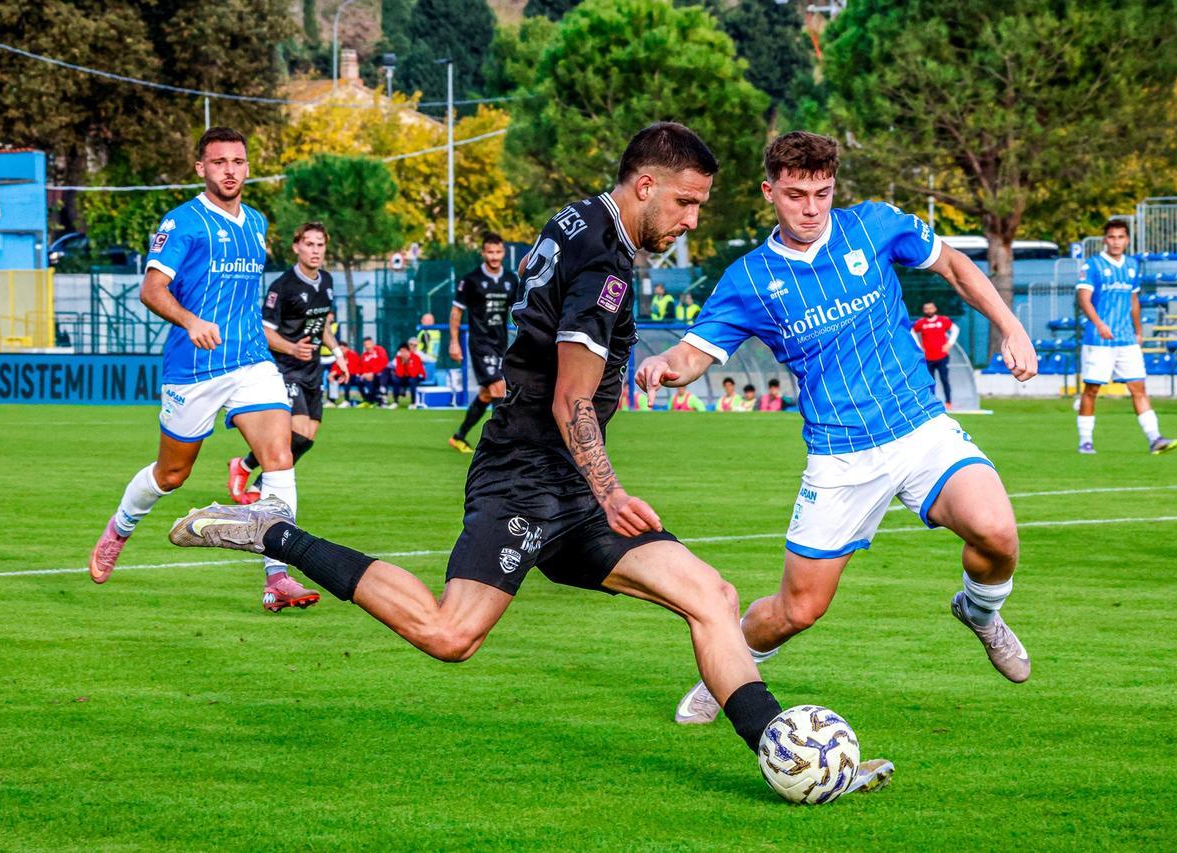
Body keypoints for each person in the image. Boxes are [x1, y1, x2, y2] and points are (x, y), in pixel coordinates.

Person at [166, 123, 891, 787]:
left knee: (714, 596)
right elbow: (569, 401)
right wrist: (609, 492)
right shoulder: (604, 263)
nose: (692, 220)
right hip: (525, 479)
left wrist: (594, 487)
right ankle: (273, 531)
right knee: (451, 634)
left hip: (568, 484)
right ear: (646, 185)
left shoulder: (580, 219)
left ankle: (787, 752)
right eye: (687, 202)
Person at [637, 130, 1042, 729]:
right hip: (841, 456)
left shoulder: (872, 226)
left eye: (822, 193)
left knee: (997, 532)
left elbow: (955, 265)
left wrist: (1011, 326)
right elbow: (697, 353)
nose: (811, 208)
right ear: (769, 191)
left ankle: (981, 612)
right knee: (797, 610)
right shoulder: (750, 279)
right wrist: (665, 366)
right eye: (797, 194)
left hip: (920, 428)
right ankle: (725, 670)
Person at [88, 126, 318, 611]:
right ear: (201, 168)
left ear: (248, 167)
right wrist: (191, 320)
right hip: (193, 369)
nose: (229, 170)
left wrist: (274, 344)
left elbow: (244, 303)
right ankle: (119, 528)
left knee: (280, 458)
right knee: (172, 475)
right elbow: (152, 290)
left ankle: (277, 576)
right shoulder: (183, 222)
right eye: (219, 162)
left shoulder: (257, 222)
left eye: (237, 161)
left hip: (251, 361)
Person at [228, 222, 348, 506]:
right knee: (296, 432)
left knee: (306, 439)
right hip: (285, 368)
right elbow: (265, 332)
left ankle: (246, 468)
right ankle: (259, 483)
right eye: (309, 244)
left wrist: (339, 355)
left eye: (320, 244)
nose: (315, 250)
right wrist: (293, 347)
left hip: (312, 370)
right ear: (297, 247)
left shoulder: (327, 282)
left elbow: (322, 326)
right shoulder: (282, 286)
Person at [1075, 219, 1177, 455]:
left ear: (1127, 240)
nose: (1116, 242)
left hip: (1126, 340)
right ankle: (1085, 441)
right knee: (1092, 390)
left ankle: (1155, 439)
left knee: (1139, 388)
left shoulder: (1132, 265)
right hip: (1099, 340)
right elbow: (1083, 298)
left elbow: (1134, 301)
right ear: (1105, 239)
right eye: (1111, 237)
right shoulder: (1092, 265)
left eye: (1120, 237)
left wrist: (1139, 331)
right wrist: (1099, 324)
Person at [449, 232, 518, 453]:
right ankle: (499, 442)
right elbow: (456, 313)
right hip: (480, 343)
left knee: (487, 394)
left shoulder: (510, 280)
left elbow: (516, 311)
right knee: (499, 387)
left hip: (500, 343)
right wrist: (454, 342)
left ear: (504, 253)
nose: (494, 256)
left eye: (498, 252)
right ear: (483, 253)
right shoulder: (471, 280)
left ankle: (459, 436)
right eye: (490, 252)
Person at [911, 301, 958, 408]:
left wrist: (949, 344)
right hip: (928, 357)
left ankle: (948, 402)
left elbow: (955, 329)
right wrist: (918, 346)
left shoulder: (943, 320)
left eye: (931, 308)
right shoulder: (921, 323)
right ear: (924, 310)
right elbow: (912, 331)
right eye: (926, 308)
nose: (929, 310)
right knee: (930, 381)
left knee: (944, 379)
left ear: (935, 309)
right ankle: (933, 402)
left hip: (942, 356)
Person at [345, 337, 389, 407]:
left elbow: (383, 363)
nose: (367, 346)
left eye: (369, 344)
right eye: (365, 344)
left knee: (381, 375)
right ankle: (368, 400)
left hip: (380, 374)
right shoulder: (364, 355)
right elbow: (363, 368)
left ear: (373, 343)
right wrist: (365, 374)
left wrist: (372, 373)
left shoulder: (380, 350)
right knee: (359, 380)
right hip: (369, 376)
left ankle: (381, 400)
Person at [391, 340, 426, 407]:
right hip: (407, 376)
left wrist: (407, 362)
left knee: (412, 380)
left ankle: (413, 402)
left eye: (404, 351)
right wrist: (403, 363)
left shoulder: (416, 357)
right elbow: (399, 374)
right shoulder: (399, 358)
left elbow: (414, 374)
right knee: (395, 379)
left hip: (419, 376)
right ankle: (395, 402)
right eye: (401, 351)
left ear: (408, 351)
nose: (402, 353)